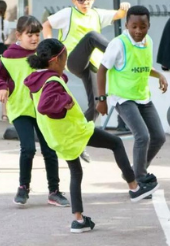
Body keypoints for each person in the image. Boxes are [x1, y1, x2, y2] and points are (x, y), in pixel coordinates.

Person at [24, 39, 159, 233]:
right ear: (55, 60)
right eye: (64, 57)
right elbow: (44, 105)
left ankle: (78, 220)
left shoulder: (37, 78)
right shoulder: (51, 81)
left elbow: (39, 98)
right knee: (116, 143)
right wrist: (64, 103)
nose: (66, 61)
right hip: (75, 131)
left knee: (76, 172)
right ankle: (135, 187)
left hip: (57, 136)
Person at [0, 16, 69, 207]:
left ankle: (54, 191)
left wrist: (61, 85)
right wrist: (0, 87)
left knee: (50, 149)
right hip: (20, 109)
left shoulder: (42, 54)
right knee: (28, 148)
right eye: (29, 35)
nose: (34, 39)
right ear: (19, 35)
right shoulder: (9, 56)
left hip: (43, 108)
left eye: (37, 34)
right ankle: (23, 187)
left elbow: (57, 73)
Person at [42, 0, 130, 124]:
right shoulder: (68, 13)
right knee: (91, 36)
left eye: (88, 0)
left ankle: (77, 133)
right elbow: (46, 24)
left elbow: (119, 14)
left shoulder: (96, 14)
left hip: (92, 65)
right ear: (74, 0)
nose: (85, 3)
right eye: (81, 0)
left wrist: (124, 8)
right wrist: (50, 46)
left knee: (97, 107)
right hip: (72, 60)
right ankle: (120, 55)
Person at [96, 5, 167, 183]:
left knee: (158, 137)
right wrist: (101, 99)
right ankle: (139, 179)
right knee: (142, 136)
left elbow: (143, 66)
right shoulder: (118, 44)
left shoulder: (148, 41)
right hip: (123, 97)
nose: (138, 31)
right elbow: (102, 70)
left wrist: (159, 74)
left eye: (142, 27)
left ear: (148, 26)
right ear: (126, 24)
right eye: (134, 26)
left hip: (143, 97)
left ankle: (136, 170)